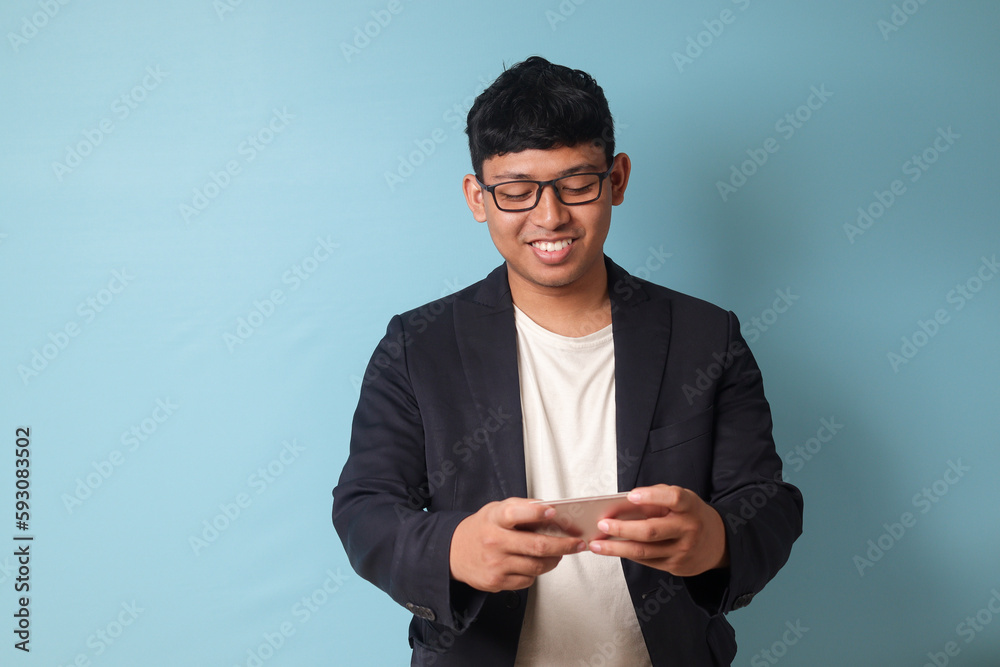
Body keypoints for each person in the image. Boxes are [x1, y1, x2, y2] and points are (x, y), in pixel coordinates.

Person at [332, 56, 802, 667]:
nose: (549, 216)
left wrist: (714, 539)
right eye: (516, 192)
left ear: (618, 179)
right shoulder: (416, 346)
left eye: (577, 185)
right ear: (477, 197)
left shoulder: (708, 337)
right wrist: (454, 547)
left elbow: (767, 501)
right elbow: (364, 508)